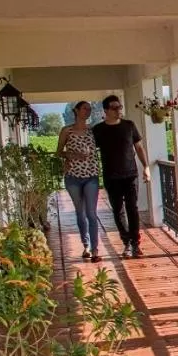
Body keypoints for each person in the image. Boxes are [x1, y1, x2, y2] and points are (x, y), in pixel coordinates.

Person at [92, 94, 150, 258]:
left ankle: (136, 244)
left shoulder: (129, 126)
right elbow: (89, 151)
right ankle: (127, 242)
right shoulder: (98, 130)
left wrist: (146, 167)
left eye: (120, 107)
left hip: (130, 175)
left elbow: (138, 148)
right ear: (106, 110)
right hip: (111, 177)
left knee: (133, 209)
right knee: (118, 211)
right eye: (114, 108)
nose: (118, 110)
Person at [56, 101, 102, 262]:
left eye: (89, 109)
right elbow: (59, 152)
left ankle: (95, 249)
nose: (87, 112)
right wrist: (72, 156)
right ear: (76, 110)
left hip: (91, 175)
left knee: (91, 212)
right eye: (84, 109)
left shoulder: (93, 130)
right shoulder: (66, 130)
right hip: (73, 176)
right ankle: (86, 245)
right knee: (80, 212)